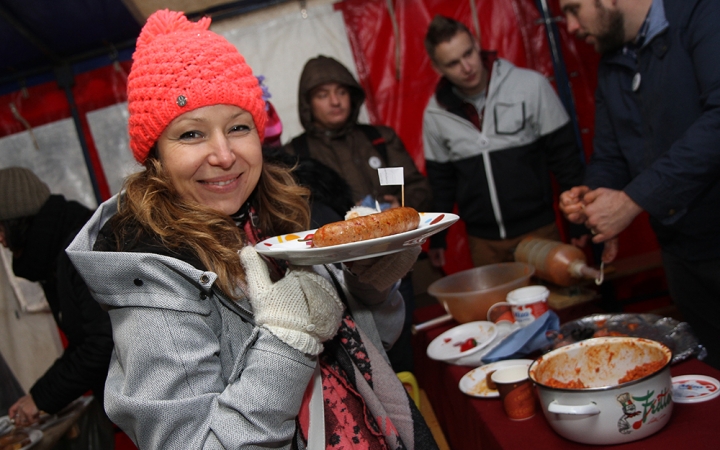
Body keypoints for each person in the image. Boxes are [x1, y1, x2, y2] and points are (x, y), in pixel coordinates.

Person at [66, 10, 437, 449]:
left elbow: (372, 343)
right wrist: (286, 344)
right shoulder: (156, 274)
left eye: (238, 127)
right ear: (156, 156)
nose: (224, 154)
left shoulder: (282, 214)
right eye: (191, 135)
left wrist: (373, 282)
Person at [557, 0, 720, 369]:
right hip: (681, 253)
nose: (569, 26)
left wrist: (632, 200)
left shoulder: (703, 15)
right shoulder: (613, 59)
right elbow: (610, 153)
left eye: (573, 8)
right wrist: (595, 198)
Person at [282, 55, 434, 373]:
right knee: (358, 364)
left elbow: (418, 187)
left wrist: (401, 207)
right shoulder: (296, 153)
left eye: (341, 91)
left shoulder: (379, 138)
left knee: (405, 355)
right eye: (323, 94)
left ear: (353, 94)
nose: (335, 101)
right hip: (339, 282)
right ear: (308, 103)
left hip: (397, 266)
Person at [422, 15, 586, 269]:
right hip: (483, 242)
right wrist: (438, 239)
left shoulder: (531, 86)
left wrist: (578, 220)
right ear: (437, 68)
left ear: (477, 45)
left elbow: (565, 157)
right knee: (497, 309)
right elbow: (442, 183)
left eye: (468, 53)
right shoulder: (435, 114)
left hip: (539, 229)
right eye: (453, 63)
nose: (467, 67)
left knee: (555, 305)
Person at [0, 167, 115, 446]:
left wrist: (41, 397)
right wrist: (38, 396)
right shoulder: (52, 256)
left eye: (0, 228)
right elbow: (83, 339)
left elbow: (102, 341)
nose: (0, 239)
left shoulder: (80, 249)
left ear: (16, 222)